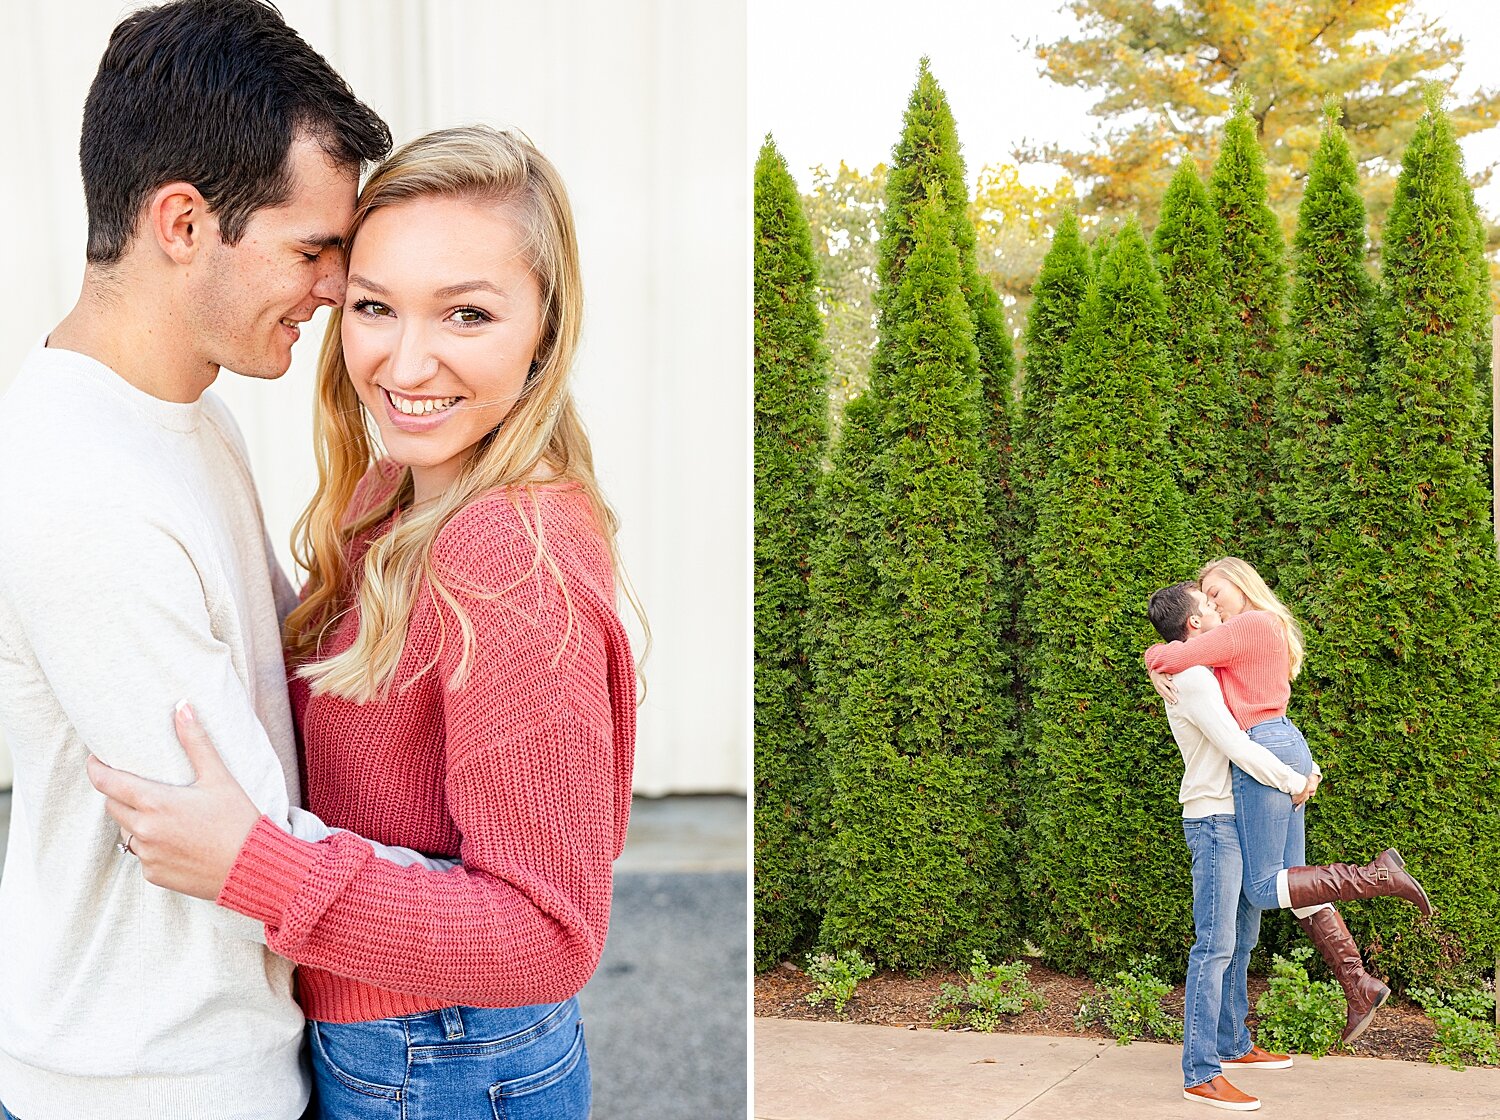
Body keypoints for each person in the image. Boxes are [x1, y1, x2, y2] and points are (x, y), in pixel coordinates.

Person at [86, 125, 638, 1120]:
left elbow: (548, 932)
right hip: (391, 1040)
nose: (406, 359)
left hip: (448, 1061)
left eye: (466, 313)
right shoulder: (396, 492)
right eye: (376, 306)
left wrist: (256, 868)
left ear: (546, 331)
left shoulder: (508, 558)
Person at [0, 2, 392, 1116]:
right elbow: (245, 852)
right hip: (144, 1081)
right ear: (183, 222)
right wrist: (501, 917)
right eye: (312, 248)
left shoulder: (185, 419)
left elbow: (298, 671)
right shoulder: (80, 481)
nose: (331, 289)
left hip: (214, 1056)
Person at [1145, 557, 1431, 1049]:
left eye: (1217, 592)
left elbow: (1176, 653)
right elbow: (1191, 650)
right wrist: (1302, 766)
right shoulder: (1254, 630)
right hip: (1281, 740)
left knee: (1261, 887)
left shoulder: (1249, 624)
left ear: (1242, 586)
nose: (1212, 603)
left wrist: (1154, 660)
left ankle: (1375, 876)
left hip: (1265, 747)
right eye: (1206, 598)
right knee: (1293, 880)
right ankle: (1357, 982)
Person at [1148, 582, 1321, 1112]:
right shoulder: (1195, 678)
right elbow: (1237, 747)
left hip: (1238, 815)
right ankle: (1199, 1073)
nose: (1218, 607)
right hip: (1215, 820)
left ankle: (1233, 1044)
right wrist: (1294, 777)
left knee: (1242, 941)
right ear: (1195, 624)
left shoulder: (1201, 668)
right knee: (1214, 945)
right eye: (1209, 604)